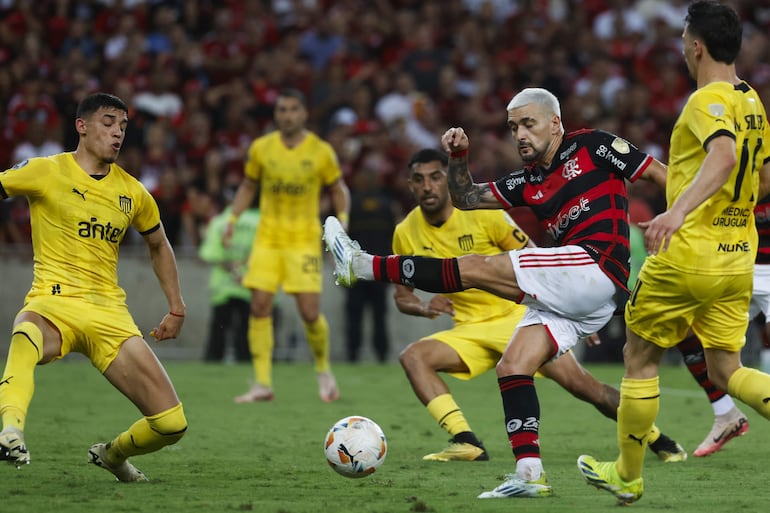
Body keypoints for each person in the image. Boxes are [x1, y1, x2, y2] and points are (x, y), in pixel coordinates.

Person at [323, 86, 668, 498]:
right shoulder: (527, 181)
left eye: (528, 123)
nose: (520, 134)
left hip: (597, 264)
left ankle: (361, 265)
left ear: (555, 123)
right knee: (514, 366)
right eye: (512, 126)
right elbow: (466, 197)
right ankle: (529, 475)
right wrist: (458, 157)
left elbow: (658, 173)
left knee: (476, 267)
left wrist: (679, 215)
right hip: (579, 289)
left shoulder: (592, 145)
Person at [577, 1, 770, 504]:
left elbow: (724, 156)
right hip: (737, 254)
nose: (683, 46)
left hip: (689, 255)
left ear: (697, 45)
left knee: (638, 359)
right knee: (728, 369)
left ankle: (627, 474)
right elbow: (762, 178)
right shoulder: (751, 100)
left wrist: (676, 211)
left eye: (684, 38)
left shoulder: (706, 100)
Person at [395, 148, 684, 463]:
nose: (427, 187)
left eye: (436, 177)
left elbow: (533, 258)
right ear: (409, 184)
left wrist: (568, 307)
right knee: (414, 357)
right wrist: (424, 307)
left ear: (448, 180)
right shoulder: (404, 232)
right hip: (469, 329)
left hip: (517, 318)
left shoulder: (483, 214)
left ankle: (657, 439)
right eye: (419, 180)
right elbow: (402, 296)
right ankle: (466, 440)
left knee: (585, 388)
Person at [0, 92, 188, 481]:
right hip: (54, 303)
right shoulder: (45, 170)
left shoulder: (133, 192)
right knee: (25, 333)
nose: (117, 133)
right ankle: (10, 431)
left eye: (122, 125)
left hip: (109, 315)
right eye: (107, 123)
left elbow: (158, 243)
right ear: (81, 127)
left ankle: (113, 454)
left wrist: (176, 306)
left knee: (172, 424)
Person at [225, 88, 350, 403]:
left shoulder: (321, 152)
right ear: (276, 114)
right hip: (268, 239)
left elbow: (338, 189)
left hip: (303, 240)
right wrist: (231, 219)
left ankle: (323, 370)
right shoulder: (261, 149)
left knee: (309, 313)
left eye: (293, 109)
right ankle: (262, 384)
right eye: (282, 110)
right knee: (259, 305)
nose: (287, 115)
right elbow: (248, 186)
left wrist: (343, 219)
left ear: (304, 114)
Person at [345, 168, 399, 363]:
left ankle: (352, 353)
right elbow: (394, 237)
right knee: (379, 315)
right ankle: (381, 354)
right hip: (379, 269)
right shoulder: (386, 206)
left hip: (357, 269)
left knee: (354, 315)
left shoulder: (351, 206)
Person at [198, 197, 259, 363]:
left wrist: (231, 268)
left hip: (222, 285)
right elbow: (262, 251)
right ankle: (246, 362)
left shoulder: (218, 222)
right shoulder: (258, 221)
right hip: (248, 283)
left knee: (219, 330)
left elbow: (208, 253)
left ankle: (212, 362)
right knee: (246, 330)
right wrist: (241, 268)